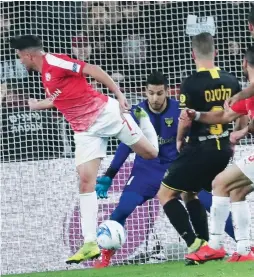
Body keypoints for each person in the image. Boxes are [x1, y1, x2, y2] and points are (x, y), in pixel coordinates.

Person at [10, 35, 159, 264]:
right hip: (84, 131)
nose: (19, 60)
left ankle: (142, 118)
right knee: (85, 181)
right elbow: (58, 99)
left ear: (28, 54)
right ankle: (90, 243)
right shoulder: (45, 75)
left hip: (105, 114)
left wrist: (119, 95)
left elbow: (92, 69)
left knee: (151, 153)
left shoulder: (55, 62)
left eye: (20, 56)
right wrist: (32, 103)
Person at [93, 71, 244, 268]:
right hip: (145, 172)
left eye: (159, 93)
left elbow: (196, 131)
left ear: (167, 92)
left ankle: (244, 246)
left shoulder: (179, 109)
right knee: (122, 209)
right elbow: (125, 145)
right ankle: (103, 260)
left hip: (176, 169)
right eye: (150, 93)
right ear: (144, 92)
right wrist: (109, 174)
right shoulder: (138, 112)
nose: (155, 98)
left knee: (212, 203)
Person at [156, 32, 242, 258]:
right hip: (223, 148)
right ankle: (207, 244)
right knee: (189, 193)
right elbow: (241, 112)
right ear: (215, 52)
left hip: (199, 148)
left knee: (165, 194)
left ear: (193, 54)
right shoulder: (231, 80)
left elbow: (186, 117)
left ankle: (193, 243)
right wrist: (234, 137)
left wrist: (179, 139)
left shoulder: (191, 83)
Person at [184, 46, 254, 263]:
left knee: (220, 183)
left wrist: (243, 130)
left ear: (244, 63)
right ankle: (244, 249)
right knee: (237, 190)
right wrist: (196, 116)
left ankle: (214, 245)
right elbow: (224, 116)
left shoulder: (247, 93)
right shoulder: (248, 96)